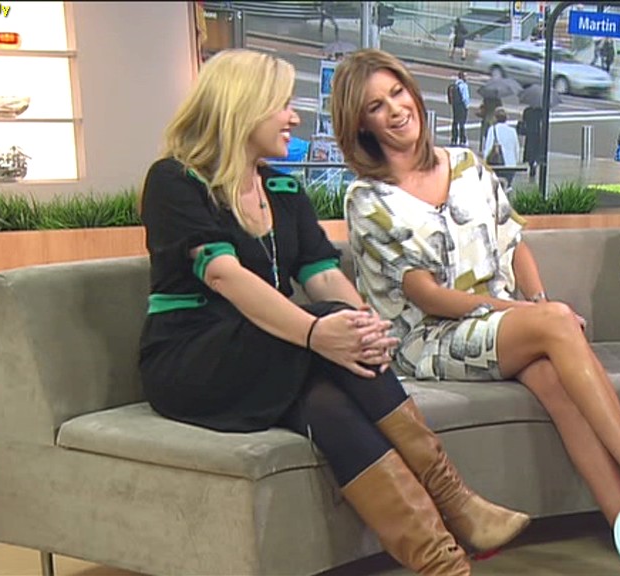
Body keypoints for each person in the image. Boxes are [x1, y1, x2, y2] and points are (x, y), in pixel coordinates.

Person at [139, 49, 528, 576]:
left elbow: (321, 273)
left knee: (328, 407)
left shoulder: (282, 189)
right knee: (325, 319)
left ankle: (444, 563)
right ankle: (458, 502)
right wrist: (316, 331)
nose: (293, 117)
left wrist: (367, 328)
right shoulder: (175, 180)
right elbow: (223, 275)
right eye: (281, 105)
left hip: (268, 354)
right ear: (243, 107)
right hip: (192, 358)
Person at [333, 49, 620, 526]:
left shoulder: (467, 165)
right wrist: (530, 316)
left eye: (397, 92)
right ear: (361, 124)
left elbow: (514, 243)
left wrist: (538, 303)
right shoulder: (368, 199)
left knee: (553, 381)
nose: (395, 109)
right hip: (431, 337)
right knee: (555, 324)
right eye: (376, 106)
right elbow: (428, 296)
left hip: (499, 324)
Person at [483, 107, 521, 189]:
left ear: (495, 118)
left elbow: (488, 149)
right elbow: (516, 149)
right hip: (511, 166)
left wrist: (485, 161)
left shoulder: (492, 130)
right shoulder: (512, 131)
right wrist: (515, 161)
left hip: (497, 166)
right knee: (507, 186)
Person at [518, 104, 544, 180]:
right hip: (538, 133)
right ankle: (535, 163)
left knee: (530, 151)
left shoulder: (527, 111)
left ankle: (531, 163)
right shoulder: (540, 111)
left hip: (529, 134)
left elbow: (524, 120)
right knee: (536, 150)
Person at [447, 70, 470, 146]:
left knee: (455, 122)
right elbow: (465, 98)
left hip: (455, 106)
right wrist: (467, 106)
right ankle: (462, 139)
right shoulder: (464, 85)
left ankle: (454, 138)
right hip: (462, 106)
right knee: (462, 123)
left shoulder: (455, 85)